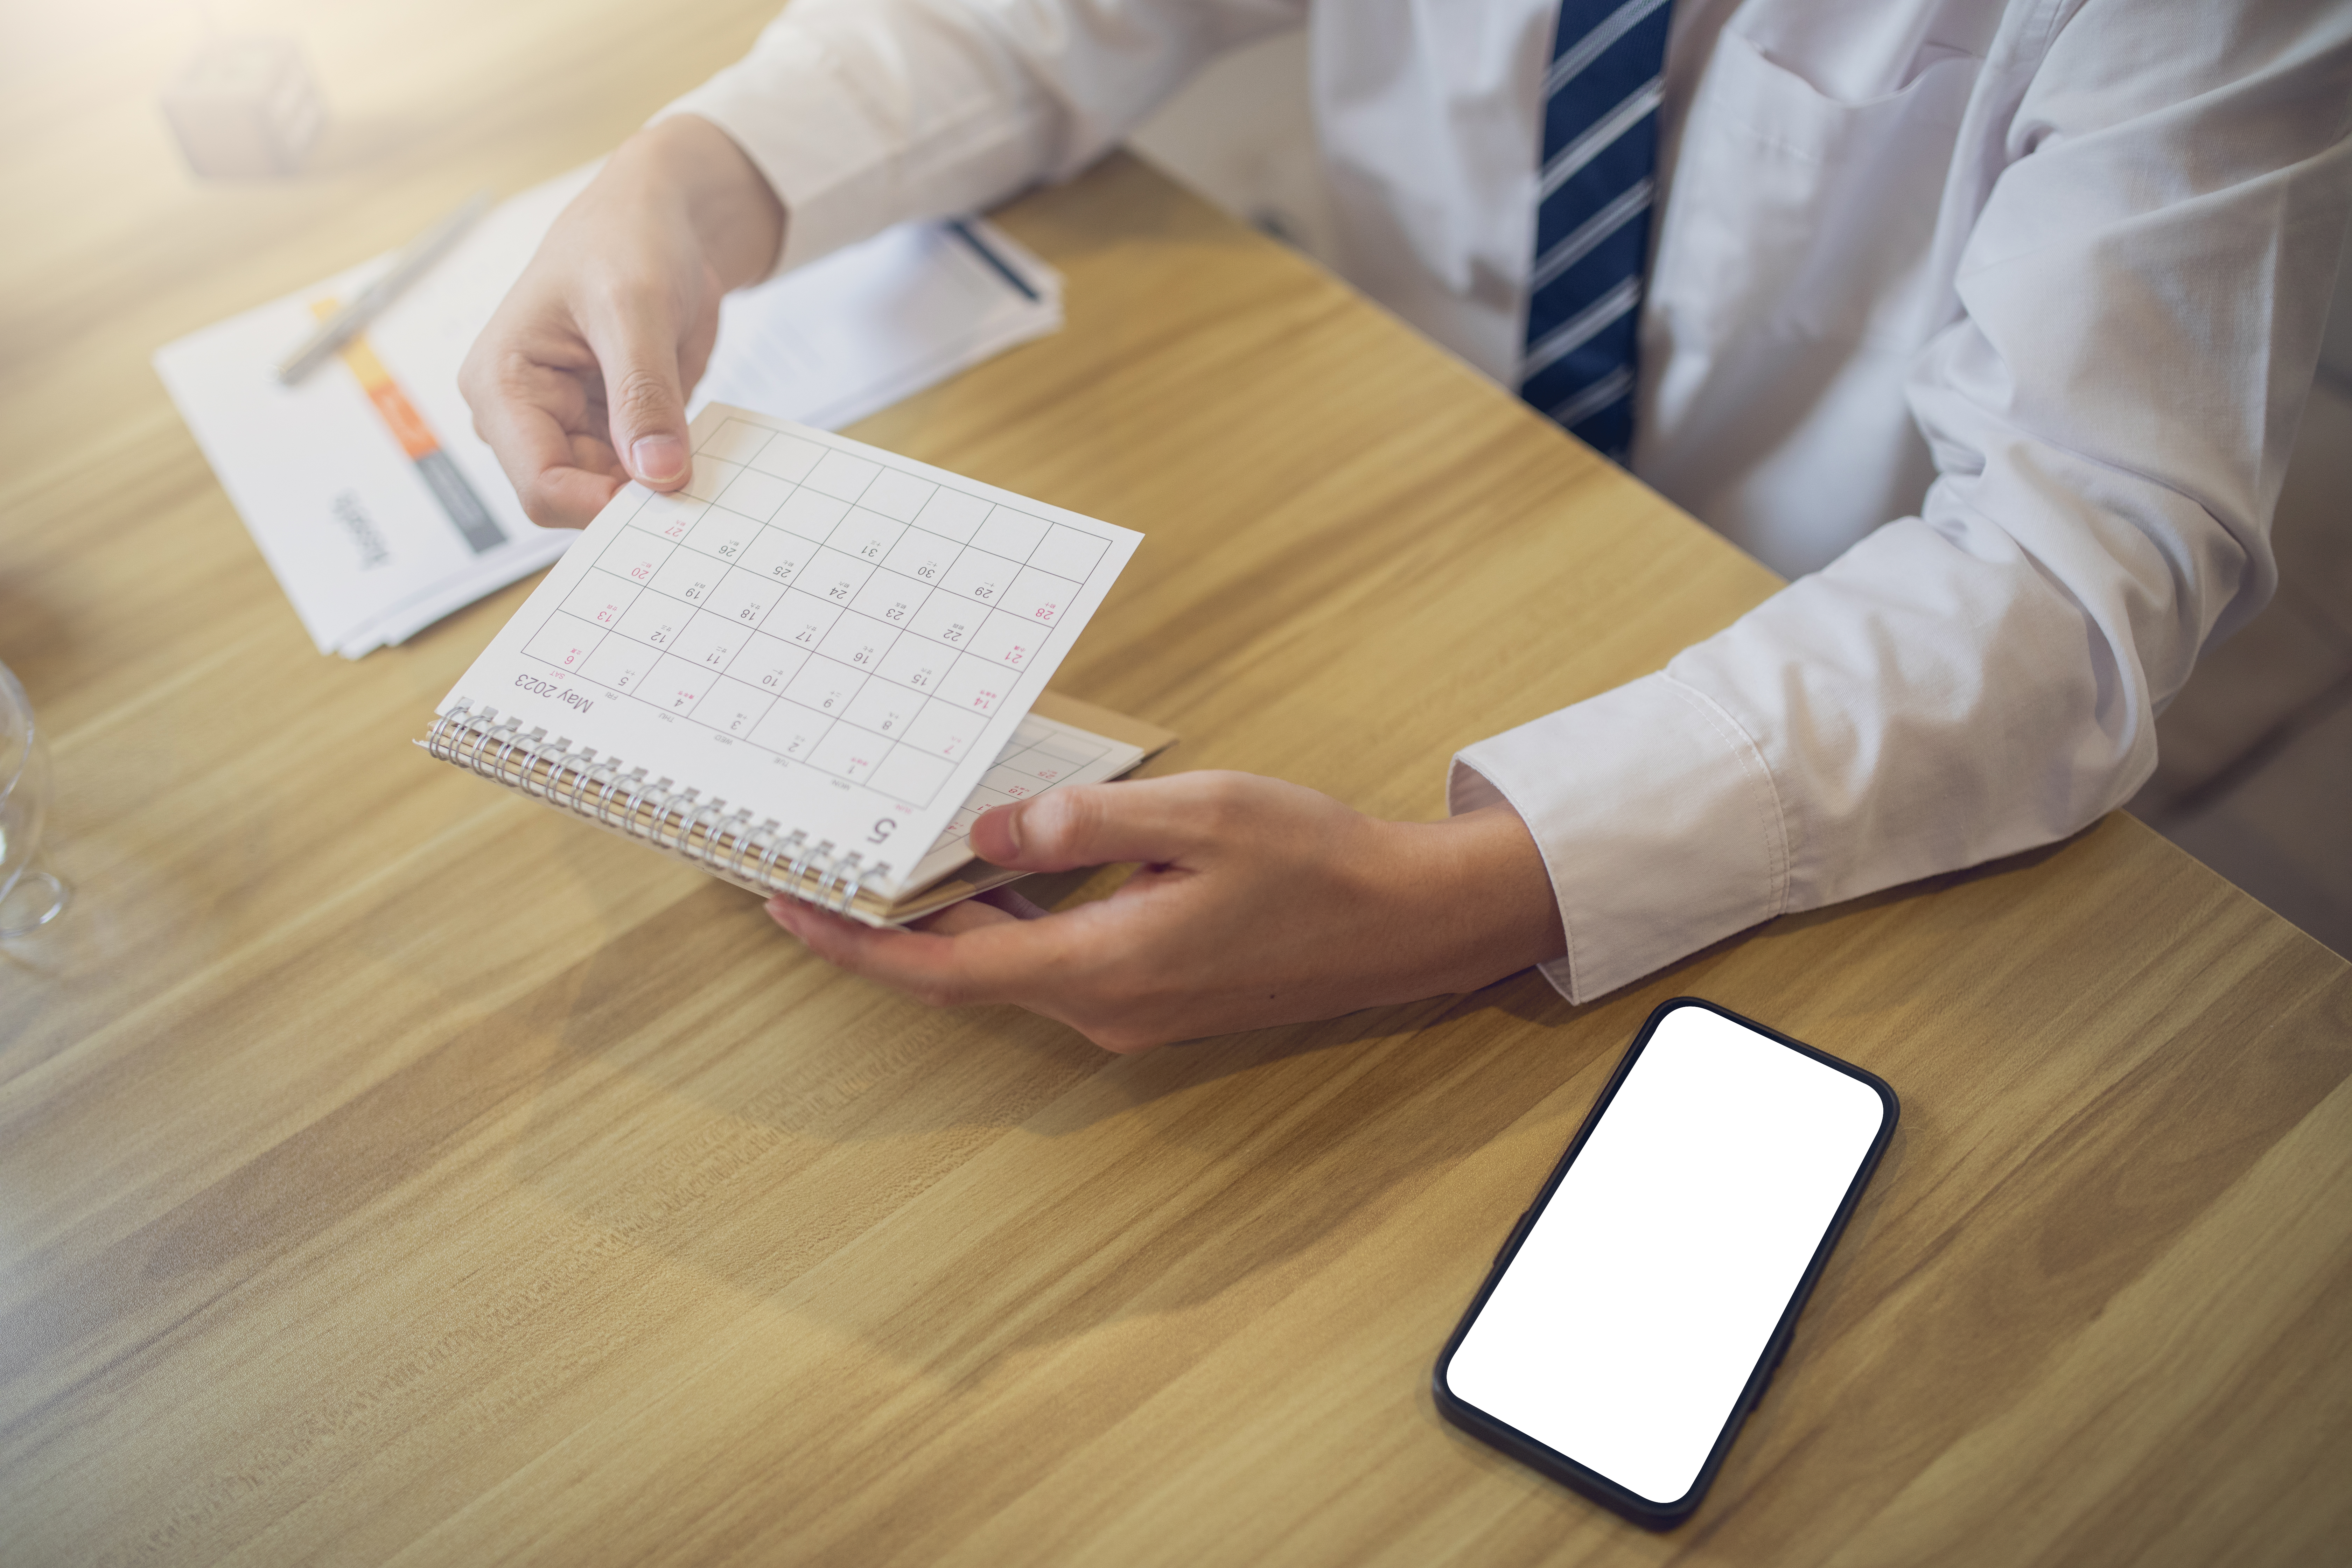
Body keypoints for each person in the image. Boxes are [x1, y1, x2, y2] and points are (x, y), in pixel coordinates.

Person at [461, 0, 2351, 1051]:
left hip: (1803, 662)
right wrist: (701, 175)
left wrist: (1462, 903)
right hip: (1397, 469)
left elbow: (2069, 568)